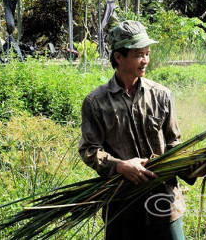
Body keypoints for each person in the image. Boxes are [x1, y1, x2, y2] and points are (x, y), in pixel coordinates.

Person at [79, 20, 197, 240]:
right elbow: (88, 149)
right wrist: (119, 166)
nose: (145, 61)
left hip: (164, 203)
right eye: (138, 55)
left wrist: (192, 163)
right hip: (123, 206)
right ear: (119, 57)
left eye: (147, 53)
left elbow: (173, 142)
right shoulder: (96, 103)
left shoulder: (161, 95)